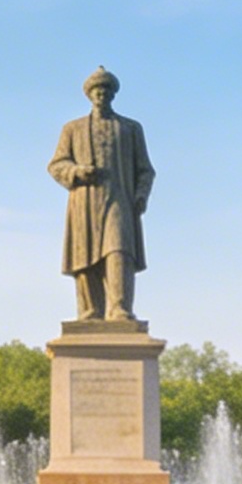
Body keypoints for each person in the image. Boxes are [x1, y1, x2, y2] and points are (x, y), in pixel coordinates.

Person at [48, 67, 154, 321]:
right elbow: (56, 165)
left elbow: (146, 170)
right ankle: (90, 310)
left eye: (106, 90)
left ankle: (119, 308)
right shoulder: (72, 129)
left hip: (120, 199)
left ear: (113, 94)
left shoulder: (130, 128)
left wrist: (140, 195)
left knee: (119, 250)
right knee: (84, 254)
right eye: (97, 90)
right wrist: (76, 171)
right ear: (89, 95)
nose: (101, 95)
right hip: (84, 202)